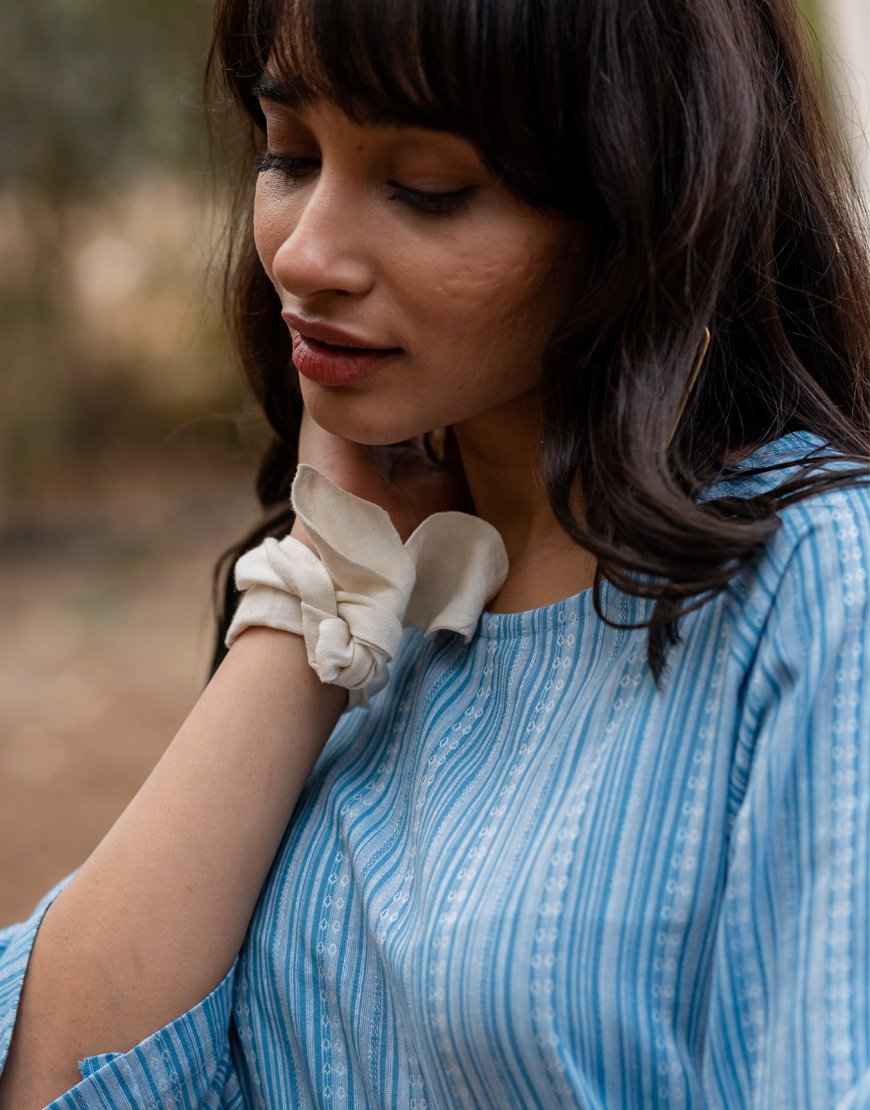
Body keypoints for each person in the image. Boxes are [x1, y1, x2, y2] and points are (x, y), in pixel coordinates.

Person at [1, 0, 869, 1104]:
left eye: (427, 188)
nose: (306, 254)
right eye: (290, 156)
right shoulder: (376, 605)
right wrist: (323, 589)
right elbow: (52, 1077)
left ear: (644, 210)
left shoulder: (821, 592)